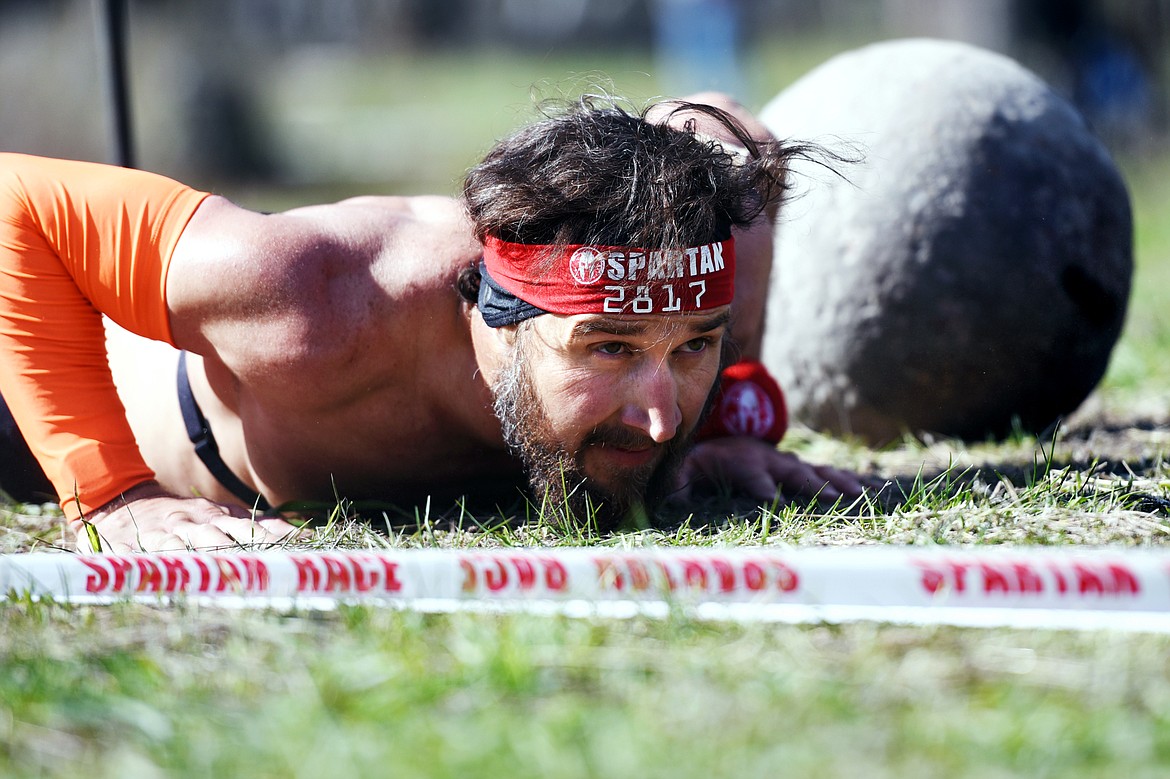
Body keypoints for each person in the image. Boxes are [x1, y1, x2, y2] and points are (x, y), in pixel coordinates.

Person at [0, 91, 871, 553]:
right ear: (497, 318)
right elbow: (16, 203)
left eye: (693, 347)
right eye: (607, 348)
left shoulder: (716, 254)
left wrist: (728, 413)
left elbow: (724, 124)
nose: (658, 415)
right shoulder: (311, 295)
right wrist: (109, 493)